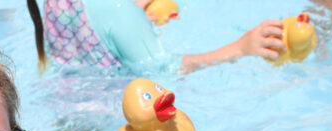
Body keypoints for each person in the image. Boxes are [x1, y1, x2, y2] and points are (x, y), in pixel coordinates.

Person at [26, 0, 286, 74]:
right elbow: (166, 69)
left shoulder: (53, 3)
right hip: (114, 124)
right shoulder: (117, 10)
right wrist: (241, 47)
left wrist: (133, 15)